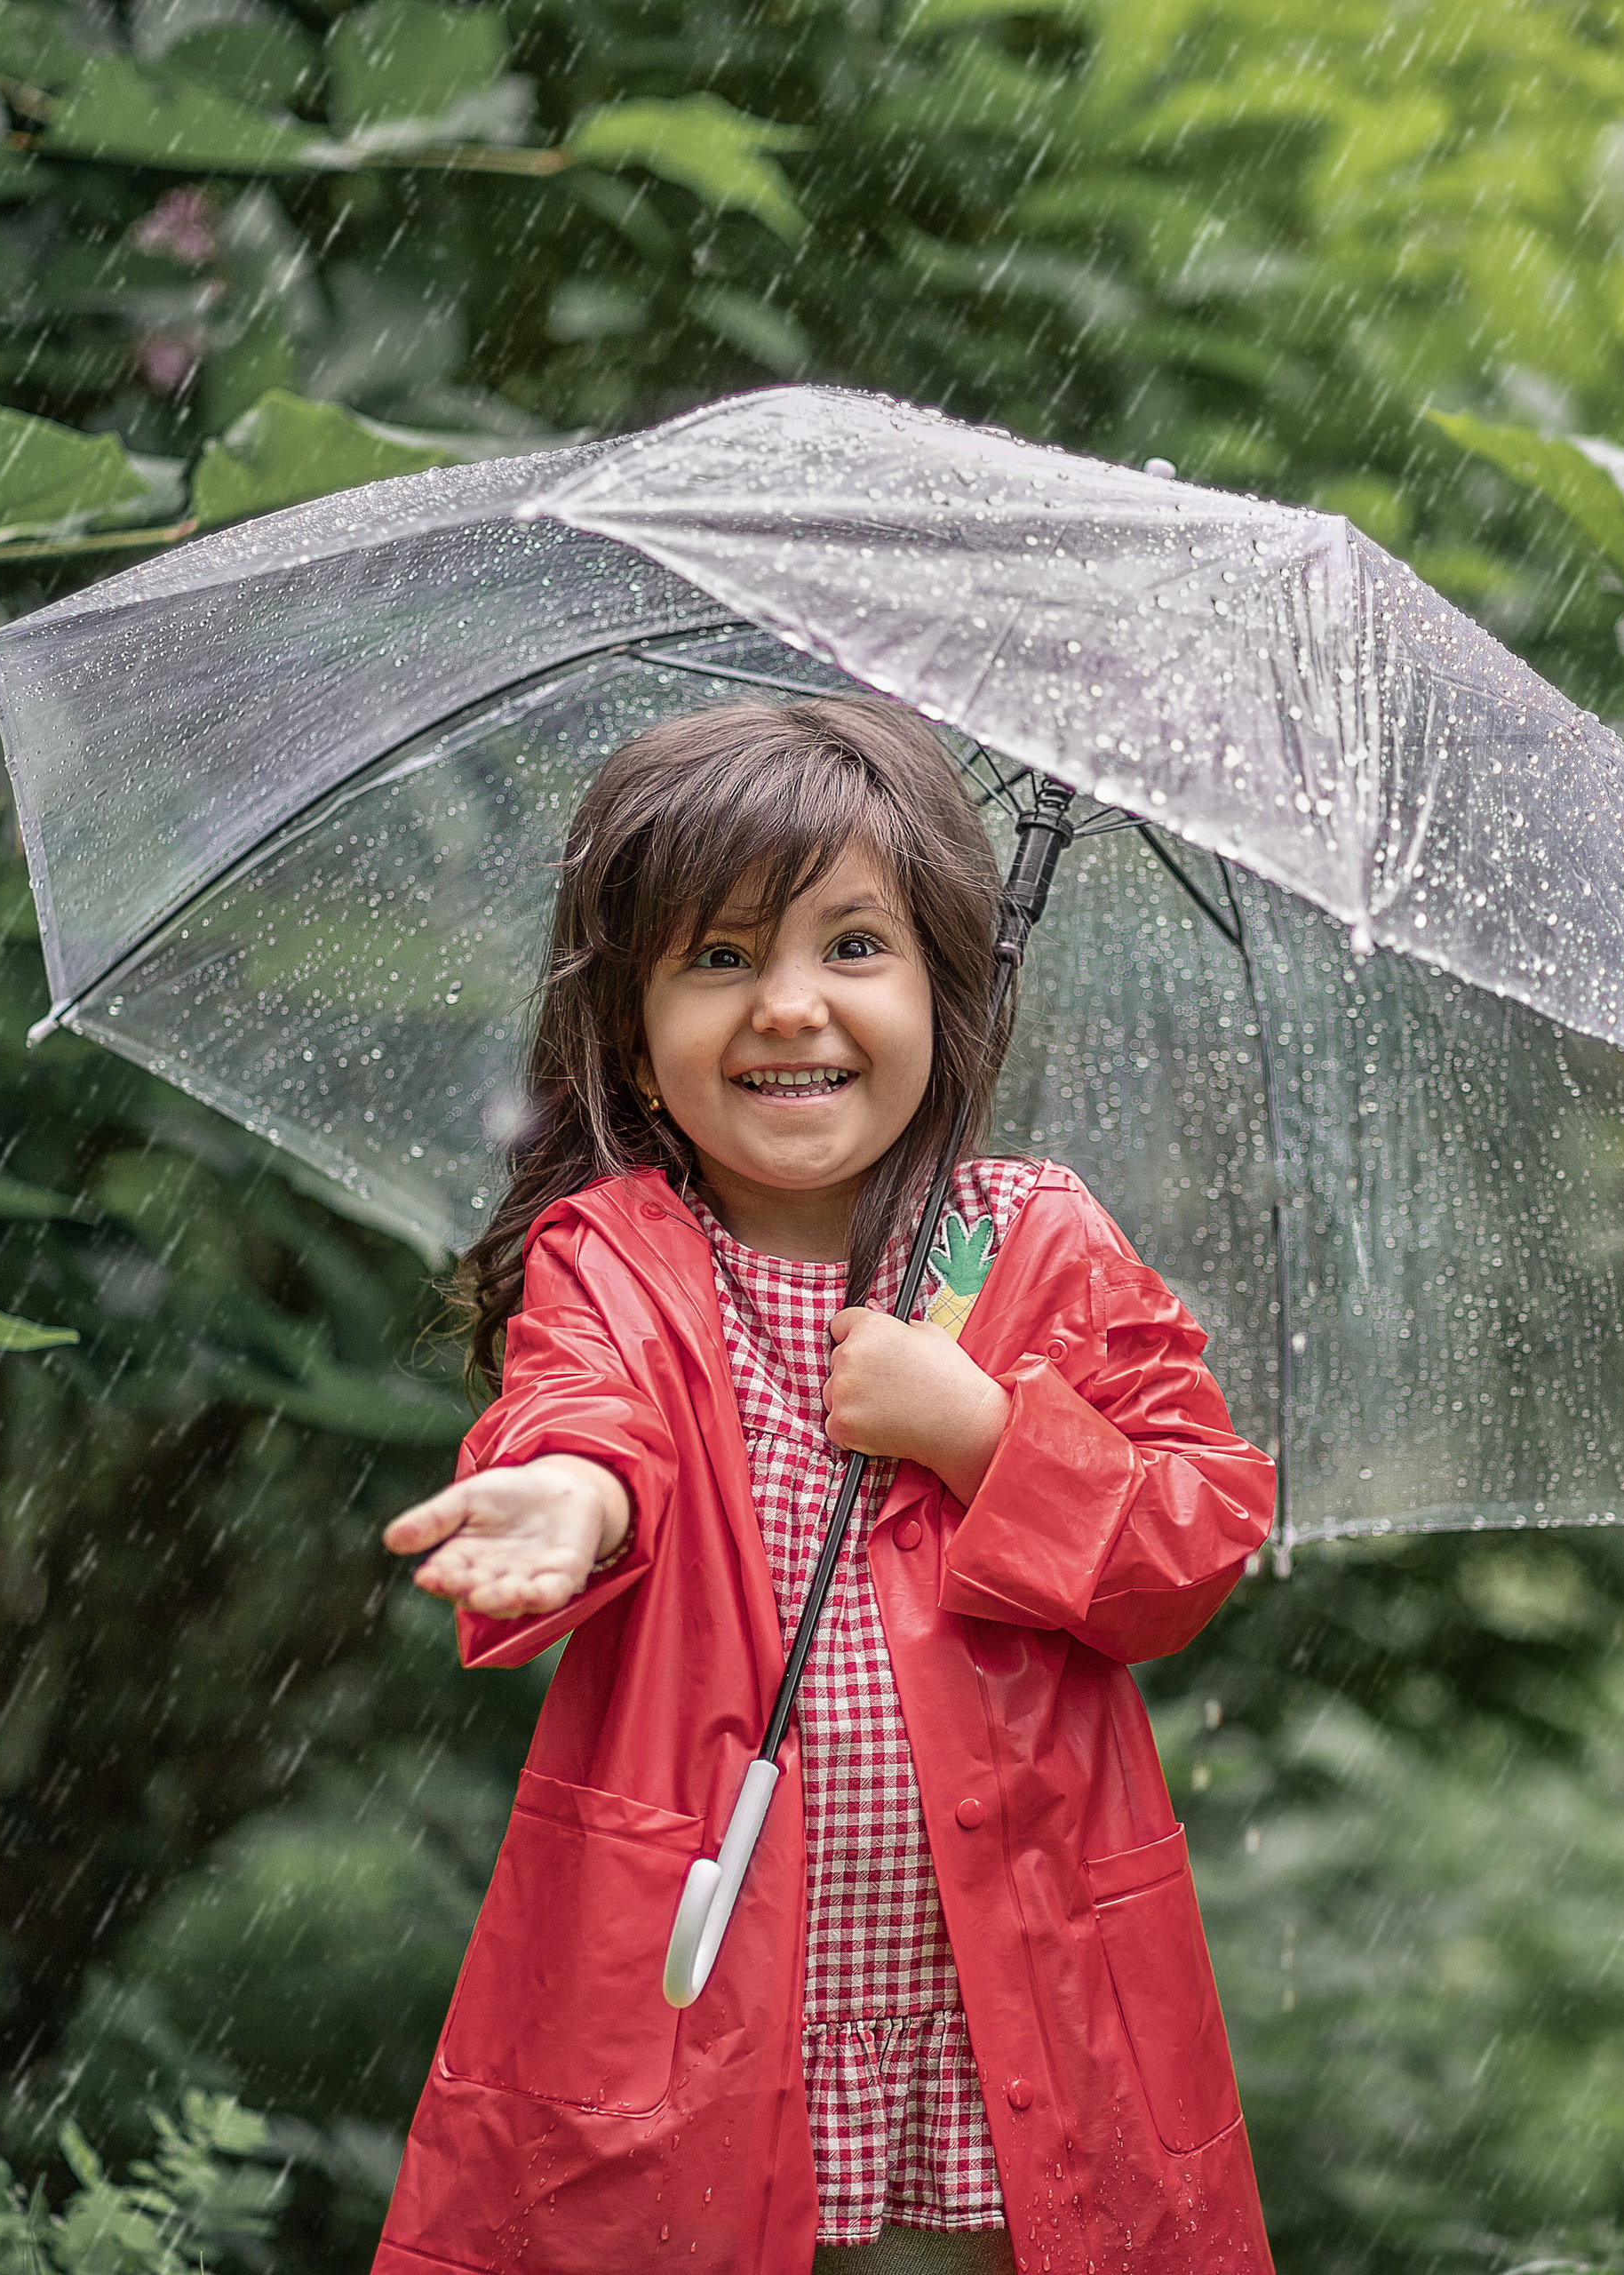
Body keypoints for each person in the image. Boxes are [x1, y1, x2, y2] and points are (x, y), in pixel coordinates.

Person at [369, 698, 1278, 2275]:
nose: (790, 1006)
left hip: (1013, 1956)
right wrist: (568, 1497)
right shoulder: (627, 1256)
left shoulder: (1034, 1244)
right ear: (635, 1041)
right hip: (704, 1946)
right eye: (718, 958)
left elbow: (1190, 1537)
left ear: (947, 992)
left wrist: (985, 1436)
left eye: (855, 947)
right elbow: (594, 1406)